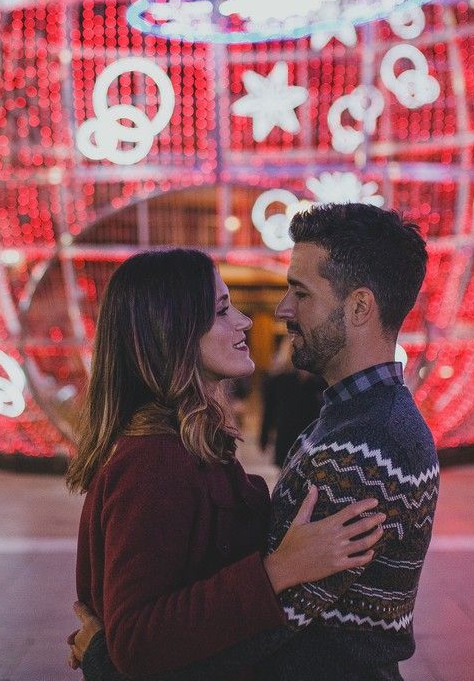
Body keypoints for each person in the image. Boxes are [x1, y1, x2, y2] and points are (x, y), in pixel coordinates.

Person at [75, 203, 441, 680]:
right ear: (174, 333)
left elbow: (265, 634)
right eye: (224, 310)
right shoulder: (161, 458)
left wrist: (103, 658)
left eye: (301, 293)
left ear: (359, 307)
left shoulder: (365, 450)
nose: (273, 313)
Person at [259, 338, 325, 468]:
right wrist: (264, 437)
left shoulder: (321, 381)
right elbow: (269, 410)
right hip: (287, 439)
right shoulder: (278, 381)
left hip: (313, 439)